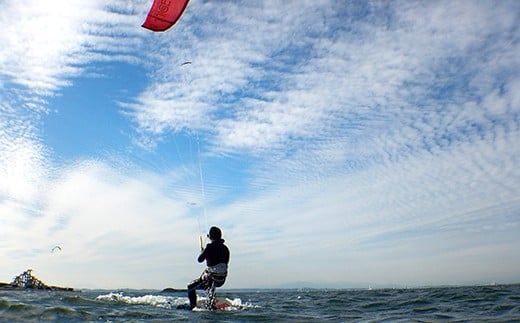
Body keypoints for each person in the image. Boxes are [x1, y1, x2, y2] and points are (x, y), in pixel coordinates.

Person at [187, 226, 230, 309]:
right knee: (211, 283)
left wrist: (203, 252)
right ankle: (211, 304)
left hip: (211, 278)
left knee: (190, 287)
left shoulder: (209, 247)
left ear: (211, 237)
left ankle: (192, 307)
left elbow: (200, 260)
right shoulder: (226, 249)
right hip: (221, 279)